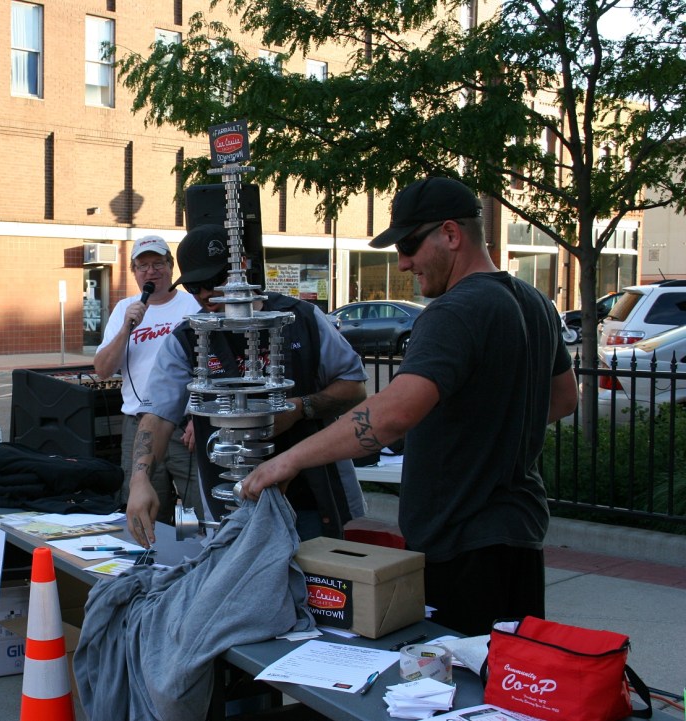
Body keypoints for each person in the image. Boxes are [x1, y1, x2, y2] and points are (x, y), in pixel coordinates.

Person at [240, 177, 580, 636]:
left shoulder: (453, 311)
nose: (403, 262)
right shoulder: (534, 302)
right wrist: (487, 420)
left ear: (451, 234)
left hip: (462, 545)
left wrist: (288, 460)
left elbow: (392, 414)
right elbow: (563, 398)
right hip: (519, 535)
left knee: (455, 691)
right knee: (505, 684)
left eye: (410, 245)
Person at [125, 224, 368, 547]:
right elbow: (157, 414)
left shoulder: (302, 319)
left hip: (314, 493)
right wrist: (140, 478)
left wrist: (299, 409)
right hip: (230, 496)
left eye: (214, 282)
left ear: (241, 270)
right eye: (195, 286)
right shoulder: (187, 338)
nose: (205, 295)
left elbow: (354, 387)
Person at [95, 235, 201, 524]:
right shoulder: (124, 310)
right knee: (145, 507)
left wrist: (199, 416)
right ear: (134, 273)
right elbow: (103, 369)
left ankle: (191, 559)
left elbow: (212, 367)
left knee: (194, 508)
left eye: (158, 264)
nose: (151, 272)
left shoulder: (193, 305)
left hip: (186, 425)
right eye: (142, 267)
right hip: (138, 425)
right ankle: (151, 561)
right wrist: (127, 329)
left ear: (170, 266)